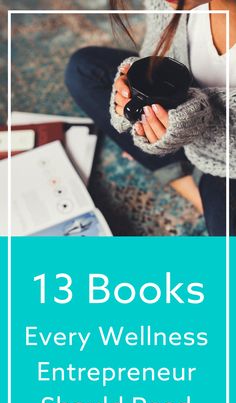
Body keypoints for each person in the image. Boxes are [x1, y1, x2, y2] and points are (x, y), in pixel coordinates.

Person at [65, 0, 236, 235]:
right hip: (182, 129)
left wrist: (193, 122)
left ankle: (199, 188)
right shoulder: (169, 2)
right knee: (83, 69)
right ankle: (191, 188)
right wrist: (133, 91)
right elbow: (155, 53)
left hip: (228, 164)